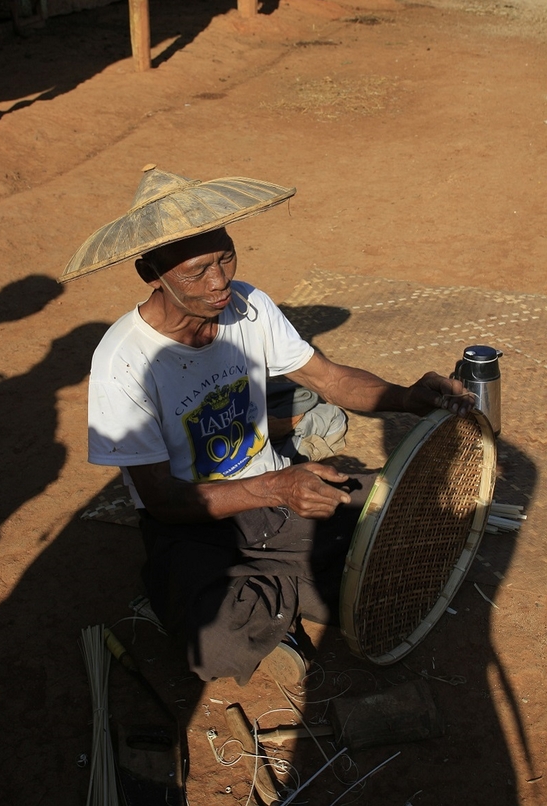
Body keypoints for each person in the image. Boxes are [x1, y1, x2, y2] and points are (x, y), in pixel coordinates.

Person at [62, 165, 474, 687]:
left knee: (406, 512)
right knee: (212, 644)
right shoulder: (123, 360)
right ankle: (276, 583)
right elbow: (163, 500)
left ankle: (277, 588)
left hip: (276, 500)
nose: (220, 281)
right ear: (152, 273)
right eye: (197, 272)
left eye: (226, 257)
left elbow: (328, 378)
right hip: (193, 522)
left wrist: (406, 397)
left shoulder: (248, 306)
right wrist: (277, 485)